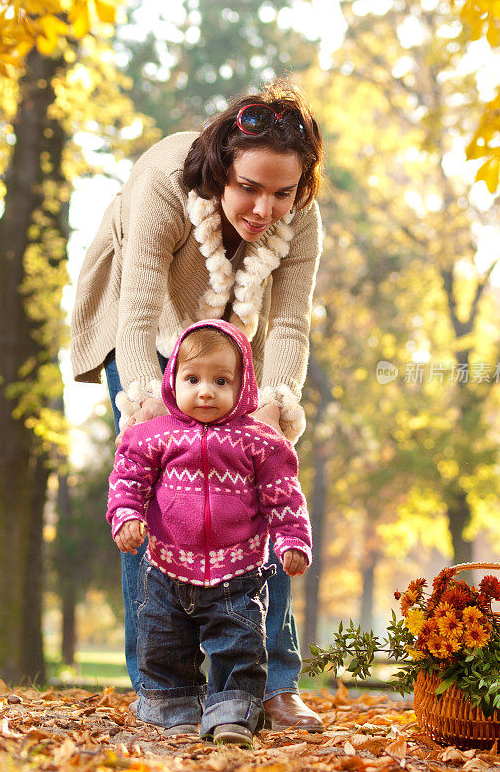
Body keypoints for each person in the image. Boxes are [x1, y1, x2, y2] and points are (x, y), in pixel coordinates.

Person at [71, 80, 324, 731]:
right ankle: (160, 686)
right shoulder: (164, 181)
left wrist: (274, 406)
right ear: (221, 170)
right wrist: (141, 407)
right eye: (249, 187)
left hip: (236, 344)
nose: (265, 206)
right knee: (152, 501)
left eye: (282, 191)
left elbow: (290, 324)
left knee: (265, 491)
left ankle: (271, 683)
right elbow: (137, 308)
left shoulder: (301, 217)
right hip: (149, 334)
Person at [107, 319, 312, 745]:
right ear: (172, 380)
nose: (205, 391)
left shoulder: (260, 443)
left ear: (243, 386)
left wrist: (292, 540)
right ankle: (175, 710)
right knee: (163, 647)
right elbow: (128, 480)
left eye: (221, 380)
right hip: (166, 570)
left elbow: (284, 495)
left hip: (236, 573)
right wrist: (126, 515)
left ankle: (232, 715)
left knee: (239, 647)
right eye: (193, 378)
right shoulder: (151, 437)